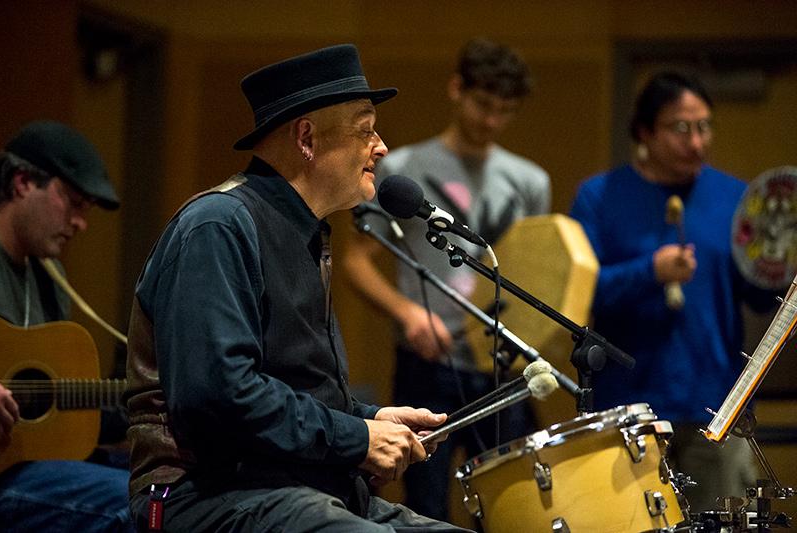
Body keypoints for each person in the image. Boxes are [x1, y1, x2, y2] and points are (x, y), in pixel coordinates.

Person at [124, 44, 471, 532]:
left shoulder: (304, 233)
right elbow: (217, 399)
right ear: (307, 137)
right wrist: (356, 436)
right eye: (365, 129)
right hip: (205, 492)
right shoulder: (217, 226)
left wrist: (373, 418)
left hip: (294, 491)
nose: (382, 147)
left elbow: (292, 391)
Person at [342, 37, 550, 521]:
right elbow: (356, 260)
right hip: (425, 363)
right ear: (457, 90)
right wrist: (407, 313)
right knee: (426, 505)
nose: (491, 120)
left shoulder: (530, 181)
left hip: (499, 367)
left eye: (505, 110)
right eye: (483, 104)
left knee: (508, 506)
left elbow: (531, 271)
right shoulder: (401, 167)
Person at [569, 71, 775, 513]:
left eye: (704, 127)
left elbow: (758, 299)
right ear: (645, 131)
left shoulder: (734, 197)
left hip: (715, 408)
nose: (697, 142)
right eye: (682, 128)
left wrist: (779, 263)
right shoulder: (600, 197)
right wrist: (650, 270)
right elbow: (582, 294)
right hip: (630, 409)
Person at [0, 120, 133, 531]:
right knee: (133, 509)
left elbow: (58, 412)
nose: (80, 223)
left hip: (29, 464)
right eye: (73, 203)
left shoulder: (50, 277)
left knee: (169, 490)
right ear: (22, 183)